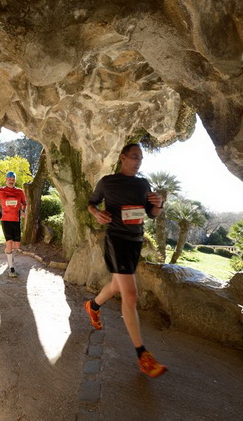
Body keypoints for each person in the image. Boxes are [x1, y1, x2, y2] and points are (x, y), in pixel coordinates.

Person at [84, 143, 168, 378]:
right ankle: (142, 354)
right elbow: (91, 203)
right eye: (134, 157)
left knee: (117, 285)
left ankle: (93, 306)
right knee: (130, 295)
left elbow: (151, 214)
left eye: (141, 158)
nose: (138, 162)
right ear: (122, 158)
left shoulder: (143, 184)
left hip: (135, 241)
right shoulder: (108, 182)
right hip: (117, 239)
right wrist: (97, 213)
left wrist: (158, 204)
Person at [0, 171, 27, 277]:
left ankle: (9, 255)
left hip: (16, 220)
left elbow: (24, 203)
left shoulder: (20, 192)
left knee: (17, 246)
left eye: (13, 179)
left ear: (15, 180)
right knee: (9, 242)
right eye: (9, 179)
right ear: (6, 180)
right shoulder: (0, 190)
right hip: (5, 219)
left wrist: (24, 211)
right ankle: (11, 268)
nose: (11, 181)